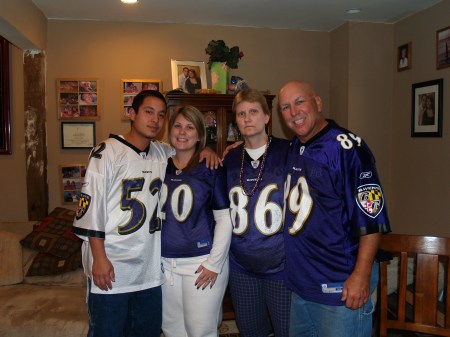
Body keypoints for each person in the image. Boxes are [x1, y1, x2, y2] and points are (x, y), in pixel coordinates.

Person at [72, 90, 219, 337]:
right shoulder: (106, 151)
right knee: (107, 331)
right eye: (148, 112)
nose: (155, 120)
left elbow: (188, 147)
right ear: (132, 114)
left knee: (146, 331)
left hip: (149, 270)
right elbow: (91, 208)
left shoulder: (162, 153)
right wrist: (98, 257)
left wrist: (209, 150)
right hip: (112, 264)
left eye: (161, 115)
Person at [278, 80, 391, 337]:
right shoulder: (297, 145)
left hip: (339, 285)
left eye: (299, 102)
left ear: (318, 103)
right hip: (302, 284)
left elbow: (372, 218)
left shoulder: (348, 149)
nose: (293, 112)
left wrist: (361, 275)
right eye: (285, 107)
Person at [222, 88, 291, 337]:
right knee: (251, 331)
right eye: (241, 114)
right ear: (236, 121)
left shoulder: (288, 151)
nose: (247, 118)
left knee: (287, 330)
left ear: (266, 117)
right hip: (242, 266)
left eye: (253, 112)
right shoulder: (228, 159)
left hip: (281, 265)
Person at [160, 105, 232, 337]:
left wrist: (214, 263)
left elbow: (225, 219)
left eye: (190, 127)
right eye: (178, 126)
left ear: (200, 134)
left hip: (200, 263)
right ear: (169, 130)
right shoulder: (160, 165)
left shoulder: (210, 167)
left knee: (200, 330)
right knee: (172, 330)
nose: (182, 132)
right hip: (164, 263)